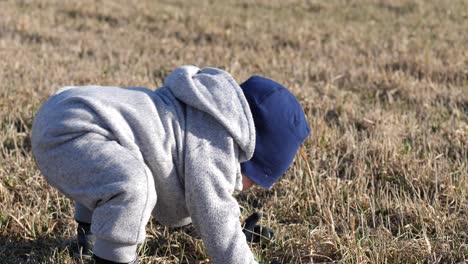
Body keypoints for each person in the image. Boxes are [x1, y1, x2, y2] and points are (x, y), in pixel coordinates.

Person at [31, 65, 310, 264]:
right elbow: (214, 215)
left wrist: (237, 230)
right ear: (248, 153)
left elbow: (188, 198)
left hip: (66, 111)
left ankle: (88, 237)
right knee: (132, 186)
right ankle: (112, 258)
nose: (246, 188)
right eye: (254, 179)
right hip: (70, 130)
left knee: (114, 168)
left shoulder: (202, 112)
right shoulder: (214, 144)